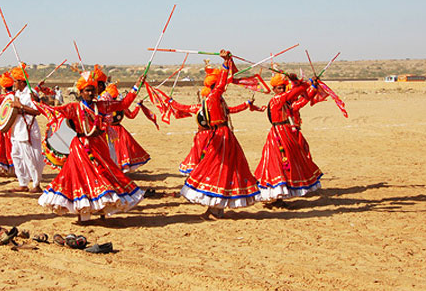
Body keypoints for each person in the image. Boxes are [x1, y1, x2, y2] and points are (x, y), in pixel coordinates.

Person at [38, 71, 146, 222]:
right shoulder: (73, 108)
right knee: (82, 178)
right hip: (80, 148)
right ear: (80, 92)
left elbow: (123, 104)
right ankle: (83, 215)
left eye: (92, 90)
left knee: (103, 176)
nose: (90, 93)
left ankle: (103, 211)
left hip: (100, 146)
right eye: (86, 90)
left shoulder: (102, 106)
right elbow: (53, 112)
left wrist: (136, 87)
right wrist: (37, 101)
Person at [168, 52, 263, 219]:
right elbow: (219, 88)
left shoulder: (216, 98)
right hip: (221, 136)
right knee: (217, 168)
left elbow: (227, 103)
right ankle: (215, 207)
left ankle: (216, 208)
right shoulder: (213, 98)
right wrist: (226, 63)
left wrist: (226, 63)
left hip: (222, 136)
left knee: (219, 169)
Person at [254, 73, 323, 206]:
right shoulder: (278, 100)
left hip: (285, 133)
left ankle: (281, 196)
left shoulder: (284, 101)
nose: (281, 90)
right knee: (279, 163)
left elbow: (301, 100)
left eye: (283, 87)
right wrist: (305, 82)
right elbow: (296, 92)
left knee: (289, 161)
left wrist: (312, 86)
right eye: (279, 88)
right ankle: (277, 196)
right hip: (279, 135)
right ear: (274, 89)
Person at [9, 64, 45, 193]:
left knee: (31, 157)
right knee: (16, 155)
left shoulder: (31, 93)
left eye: (15, 81)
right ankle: (23, 183)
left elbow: (37, 111)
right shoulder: (17, 93)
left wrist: (21, 106)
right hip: (17, 128)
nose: (14, 83)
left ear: (21, 81)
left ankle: (36, 184)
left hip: (28, 128)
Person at [103, 83, 151, 173]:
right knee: (121, 149)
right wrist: (138, 106)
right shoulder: (120, 106)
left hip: (109, 131)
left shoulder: (104, 106)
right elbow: (131, 115)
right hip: (120, 131)